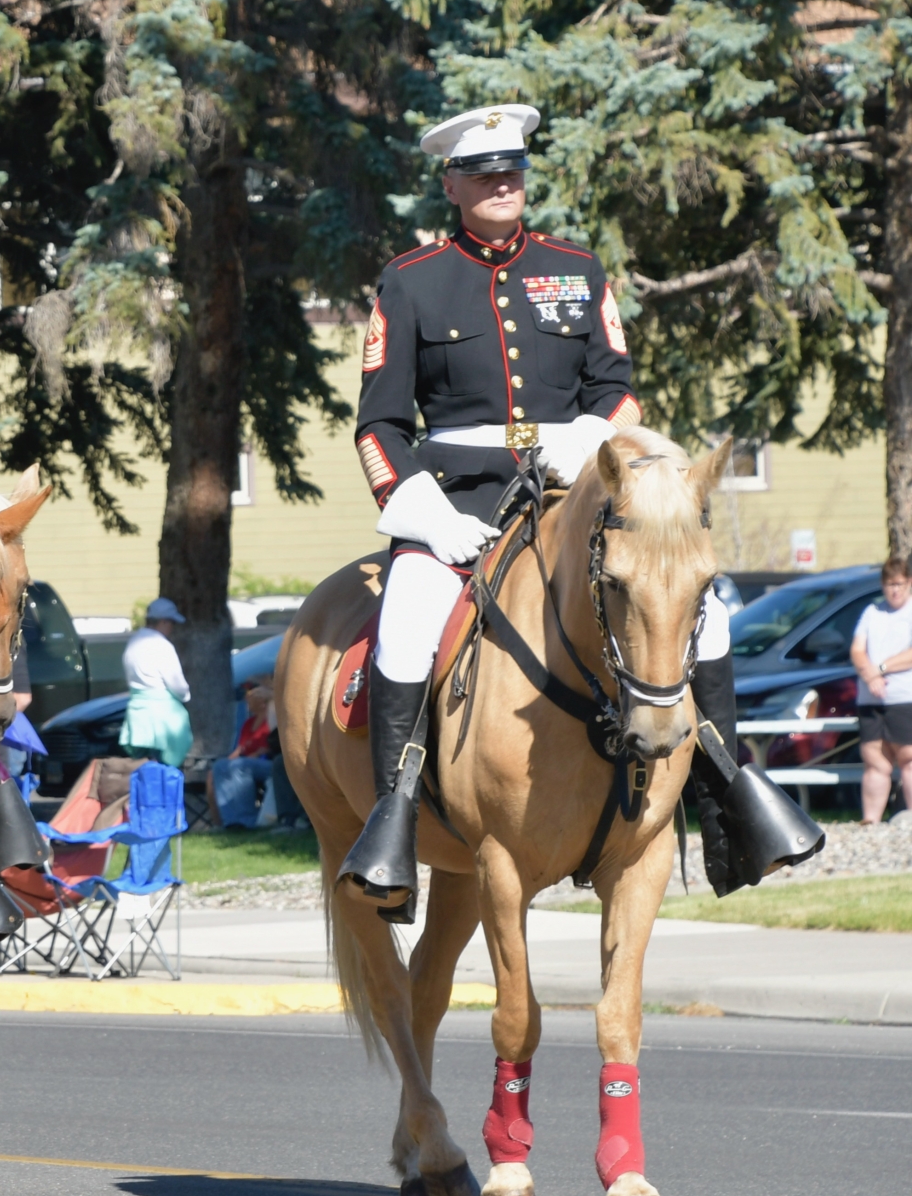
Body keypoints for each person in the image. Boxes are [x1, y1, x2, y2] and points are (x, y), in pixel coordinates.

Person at [350, 104, 820, 909]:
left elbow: (617, 387)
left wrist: (590, 439)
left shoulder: (575, 268)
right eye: (485, 172)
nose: (503, 183)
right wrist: (425, 513)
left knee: (703, 615)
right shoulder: (412, 280)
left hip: (573, 494)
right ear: (451, 184)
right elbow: (380, 424)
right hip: (459, 505)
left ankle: (723, 798)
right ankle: (393, 823)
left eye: (514, 170)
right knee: (406, 622)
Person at [851, 558, 912, 825]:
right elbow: (857, 649)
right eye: (889, 584)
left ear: (909, 583)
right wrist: (869, 674)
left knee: (908, 759)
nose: (894, 590)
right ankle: (871, 821)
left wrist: (881, 668)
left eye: (899, 584)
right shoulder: (872, 612)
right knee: (875, 760)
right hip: (871, 699)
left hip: (904, 697)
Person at [119, 599, 193, 768]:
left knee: (142, 765)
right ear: (163, 621)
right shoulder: (161, 645)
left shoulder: (133, 642)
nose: (172, 628)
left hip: (138, 713)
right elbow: (177, 684)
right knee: (164, 766)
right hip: (162, 717)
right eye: (171, 623)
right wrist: (185, 696)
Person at [212, 678, 279, 830]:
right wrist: (226, 762)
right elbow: (240, 749)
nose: (246, 701)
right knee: (219, 766)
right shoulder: (248, 723)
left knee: (238, 766)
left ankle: (246, 821)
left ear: (261, 701)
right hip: (247, 763)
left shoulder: (272, 716)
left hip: (270, 763)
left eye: (251, 698)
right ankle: (230, 822)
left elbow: (272, 744)